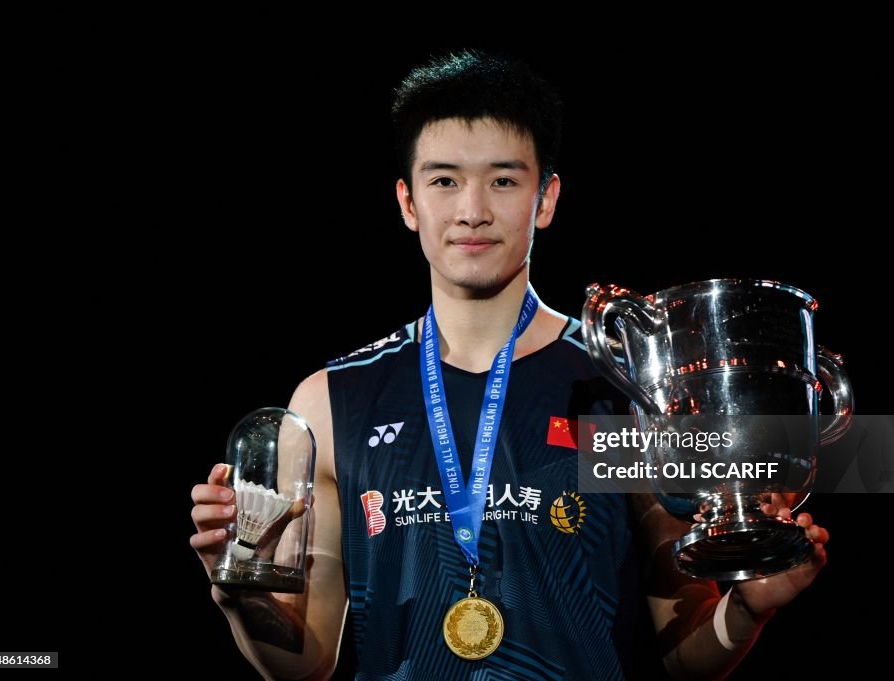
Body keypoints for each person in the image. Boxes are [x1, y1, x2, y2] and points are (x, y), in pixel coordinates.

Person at [190, 50, 830, 680]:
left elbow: (683, 651)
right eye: (444, 181)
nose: (472, 211)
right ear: (408, 202)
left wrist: (744, 610)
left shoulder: (620, 384)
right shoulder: (333, 401)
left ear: (545, 199)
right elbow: (304, 666)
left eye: (503, 181)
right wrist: (238, 588)